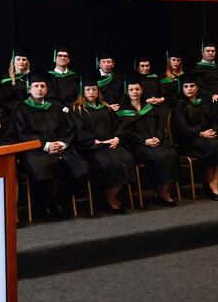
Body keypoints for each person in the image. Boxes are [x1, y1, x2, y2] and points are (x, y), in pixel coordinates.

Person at [14, 71, 90, 220]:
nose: (39, 89)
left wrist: (62, 143)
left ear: (47, 89)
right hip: (36, 151)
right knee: (42, 171)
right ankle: (43, 207)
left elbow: (68, 128)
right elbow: (22, 134)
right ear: (29, 89)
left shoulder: (54, 108)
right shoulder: (20, 110)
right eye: (36, 86)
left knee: (82, 169)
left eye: (42, 86)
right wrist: (46, 145)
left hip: (60, 149)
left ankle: (59, 203)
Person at [71, 74, 136, 213]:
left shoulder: (106, 107)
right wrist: (97, 141)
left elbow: (119, 125)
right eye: (88, 89)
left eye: (94, 89)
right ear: (83, 91)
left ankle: (110, 195)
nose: (91, 92)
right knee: (107, 163)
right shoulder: (78, 110)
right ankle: (109, 198)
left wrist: (117, 138)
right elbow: (79, 130)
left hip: (111, 144)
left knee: (128, 159)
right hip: (93, 147)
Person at [116, 74, 179, 206]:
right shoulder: (123, 111)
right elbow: (125, 132)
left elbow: (160, 125)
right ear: (127, 92)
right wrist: (144, 141)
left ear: (142, 90)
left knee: (171, 154)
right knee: (155, 157)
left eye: (137, 89)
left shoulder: (150, 108)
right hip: (138, 145)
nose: (135, 92)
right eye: (131, 90)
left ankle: (164, 190)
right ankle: (157, 188)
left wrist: (158, 137)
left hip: (156, 141)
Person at [171, 73, 218, 200]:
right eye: (186, 86)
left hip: (205, 137)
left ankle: (213, 182)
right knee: (213, 146)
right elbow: (183, 129)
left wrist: (213, 131)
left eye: (192, 86)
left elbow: (214, 121)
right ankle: (210, 185)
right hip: (189, 139)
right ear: (182, 89)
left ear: (197, 88)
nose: (189, 88)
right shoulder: (179, 106)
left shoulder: (204, 103)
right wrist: (201, 133)